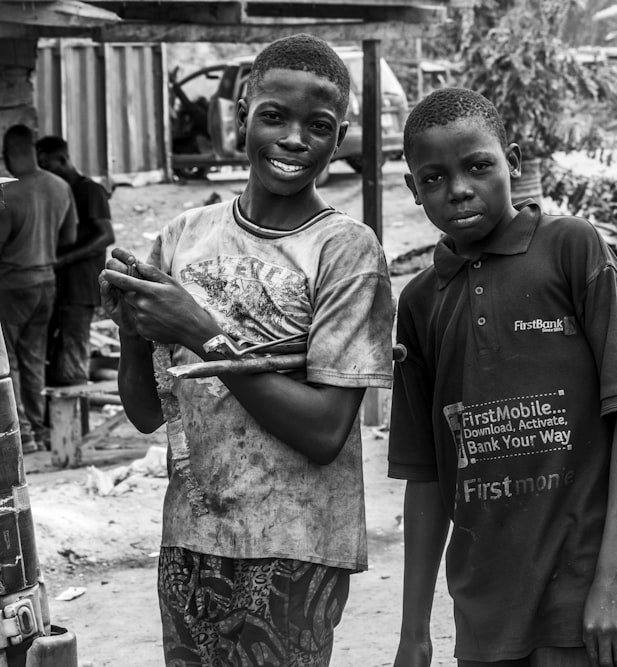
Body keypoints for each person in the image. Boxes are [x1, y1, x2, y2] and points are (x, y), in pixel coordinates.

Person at [99, 34, 395, 666]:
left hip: (298, 540)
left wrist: (200, 330)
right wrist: (131, 325)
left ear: (338, 135)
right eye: (274, 116)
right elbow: (151, 414)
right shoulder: (184, 235)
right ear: (241, 115)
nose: (293, 139)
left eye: (317, 126)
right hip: (191, 535)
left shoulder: (346, 250)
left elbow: (324, 430)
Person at [388, 87, 617, 667]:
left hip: (586, 592)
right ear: (413, 190)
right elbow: (428, 476)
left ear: (512, 161)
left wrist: (616, 578)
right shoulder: (418, 303)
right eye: (433, 178)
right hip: (484, 607)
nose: (459, 188)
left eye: (478, 165)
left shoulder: (572, 249)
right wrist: (414, 631)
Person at [0, 124, 78, 452]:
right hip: (47, 281)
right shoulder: (60, 187)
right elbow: (69, 239)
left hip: (12, 283)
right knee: (34, 358)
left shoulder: (8, 193)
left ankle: (25, 434)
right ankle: (39, 429)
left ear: (7, 154)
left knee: (11, 361)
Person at [36, 135, 115, 387]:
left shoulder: (88, 190)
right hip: (58, 285)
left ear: (62, 160)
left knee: (72, 359)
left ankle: (73, 418)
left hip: (79, 287)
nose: (45, 172)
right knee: (56, 355)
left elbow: (105, 235)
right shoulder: (58, 192)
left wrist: (63, 260)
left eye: (47, 166)